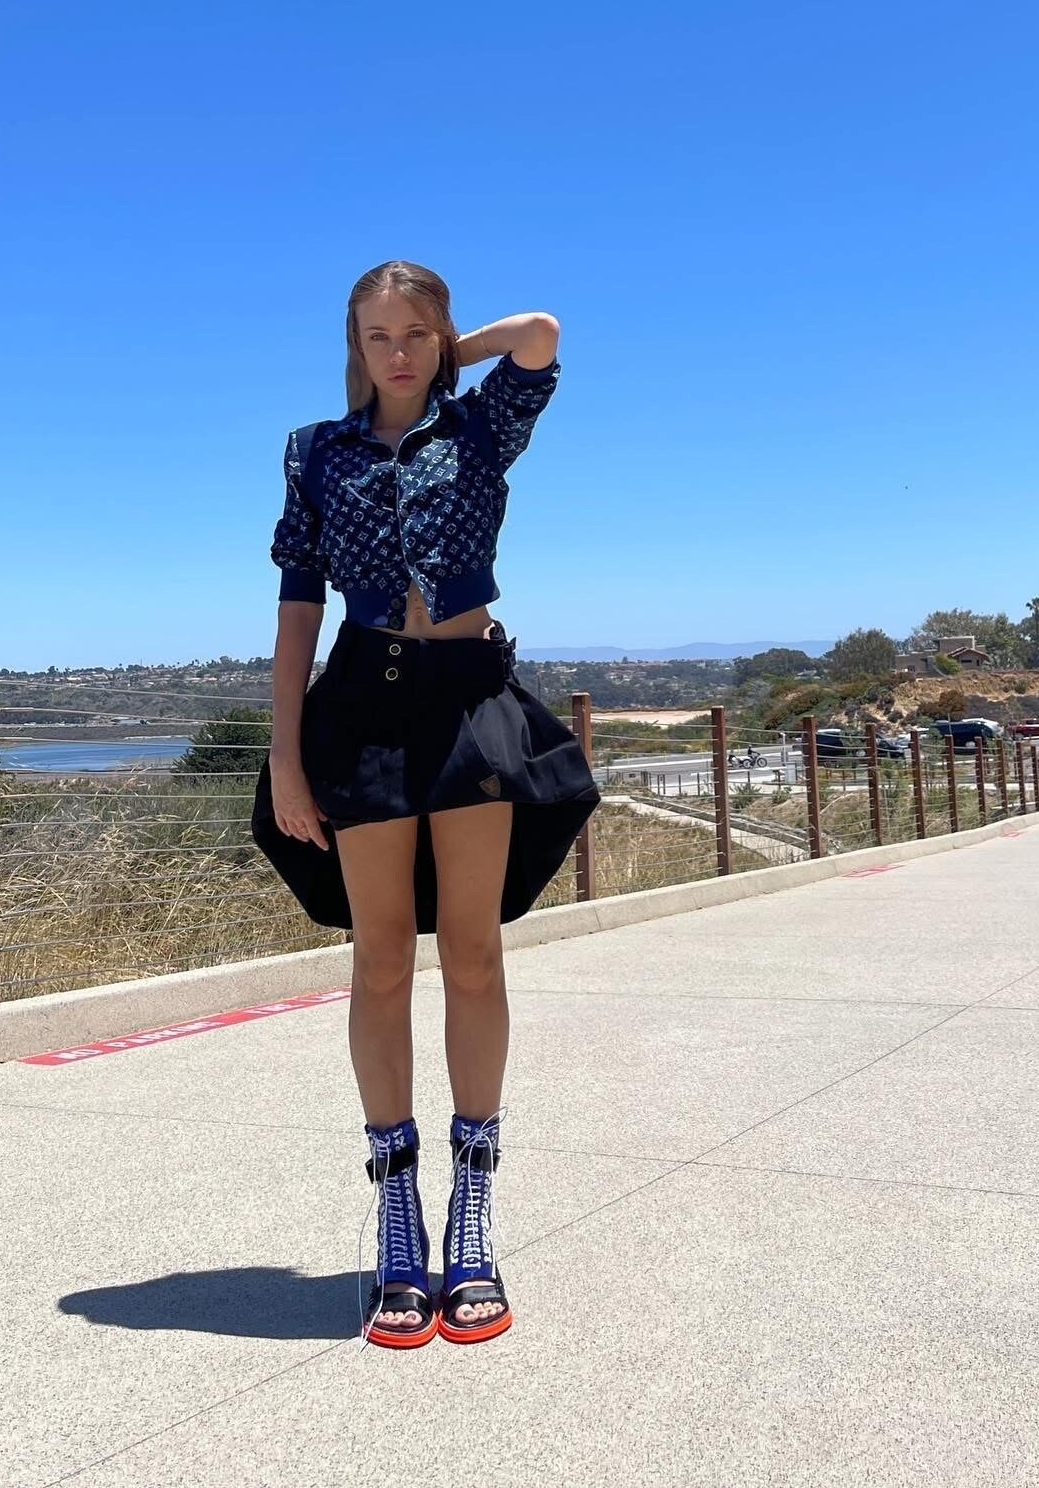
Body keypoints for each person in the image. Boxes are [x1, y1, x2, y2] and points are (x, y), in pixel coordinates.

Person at [250, 261, 600, 1350]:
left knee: (476, 953)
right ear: (352, 345)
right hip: (362, 700)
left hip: (464, 697)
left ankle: (474, 1210)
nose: (395, 352)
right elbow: (298, 603)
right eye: (376, 335)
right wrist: (286, 754)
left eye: (414, 333)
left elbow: (541, 332)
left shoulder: (482, 428)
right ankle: (399, 1212)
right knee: (381, 959)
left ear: (439, 338)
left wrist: (459, 355)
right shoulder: (317, 451)